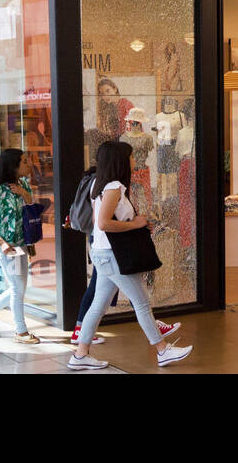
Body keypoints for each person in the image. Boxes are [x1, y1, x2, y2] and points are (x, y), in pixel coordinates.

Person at [69, 141, 191, 370]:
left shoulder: (100, 184)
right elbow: (104, 223)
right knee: (142, 303)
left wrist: (133, 223)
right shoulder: (114, 186)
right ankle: (163, 350)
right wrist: (135, 224)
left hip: (101, 253)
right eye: (131, 156)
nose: (134, 160)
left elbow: (97, 222)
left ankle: (80, 354)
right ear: (121, 161)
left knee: (98, 305)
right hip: (112, 254)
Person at [0, 148, 42, 344]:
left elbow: (30, 206)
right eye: (23, 161)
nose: (28, 164)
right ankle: (20, 332)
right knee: (17, 287)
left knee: (18, 287)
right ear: (12, 166)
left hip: (21, 244)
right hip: (5, 246)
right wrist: (2, 243)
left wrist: (23, 192)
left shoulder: (23, 185)